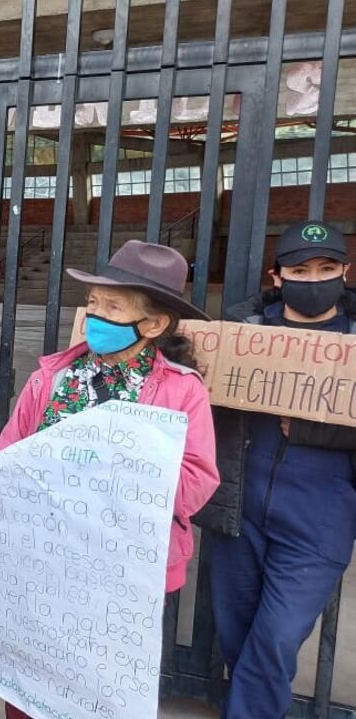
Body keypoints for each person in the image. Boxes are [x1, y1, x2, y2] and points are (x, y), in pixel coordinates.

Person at [0, 240, 219, 719]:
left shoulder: (181, 391)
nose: (95, 315)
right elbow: (6, 457)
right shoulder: (51, 378)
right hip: (43, 560)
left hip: (125, 573)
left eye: (113, 306)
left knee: (102, 688)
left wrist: (114, 473)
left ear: (154, 324)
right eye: (93, 302)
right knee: (31, 684)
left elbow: (197, 483)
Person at [201, 220, 356, 719]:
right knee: (238, 634)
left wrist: (310, 428)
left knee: (277, 637)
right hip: (238, 512)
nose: (314, 280)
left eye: (326, 268)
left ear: (344, 272)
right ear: (277, 276)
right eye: (300, 270)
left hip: (319, 518)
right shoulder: (241, 336)